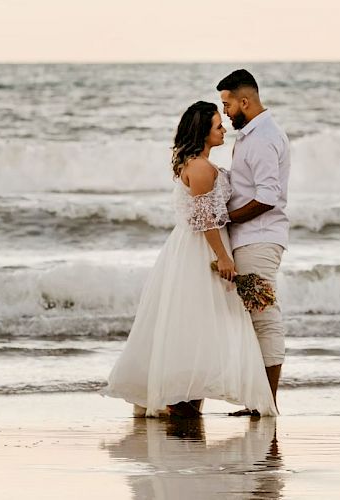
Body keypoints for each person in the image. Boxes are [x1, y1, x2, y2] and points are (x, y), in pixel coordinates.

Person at [101, 101, 277, 418]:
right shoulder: (198, 167)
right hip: (199, 250)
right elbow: (203, 219)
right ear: (203, 133)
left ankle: (188, 396)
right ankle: (180, 398)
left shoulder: (202, 164)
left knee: (197, 322)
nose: (223, 130)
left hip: (198, 246)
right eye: (217, 127)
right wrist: (224, 258)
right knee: (194, 321)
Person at [217, 70, 290, 414]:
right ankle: (259, 401)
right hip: (251, 240)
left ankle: (267, 404)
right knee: (255, 317)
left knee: (264, 316)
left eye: (228, 104)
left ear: (245, 101)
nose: (226, 112)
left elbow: (267, 197)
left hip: (259, 240)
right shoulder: (251, 136)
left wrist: (227, 218)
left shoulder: (262, 138)